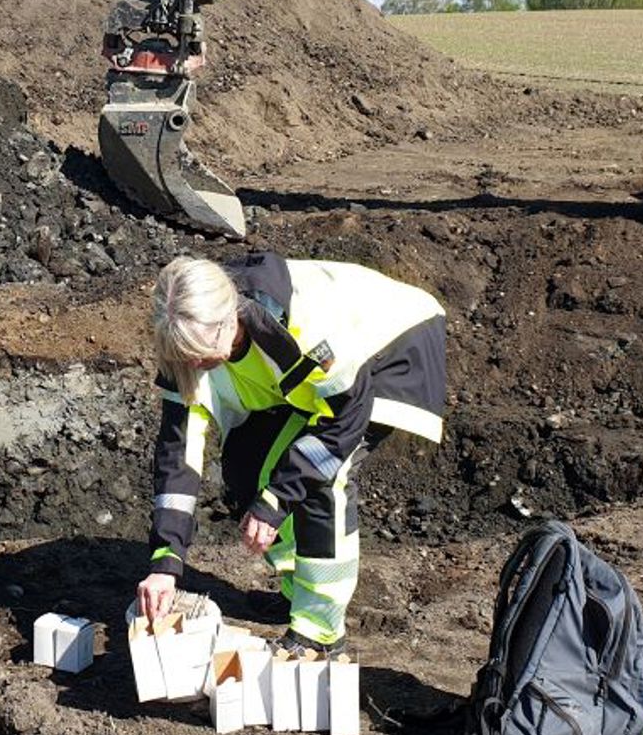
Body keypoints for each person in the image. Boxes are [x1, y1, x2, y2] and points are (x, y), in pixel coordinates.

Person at [136, 251, 447, 655]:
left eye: (202, 355)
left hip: (394, 347)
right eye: (186, 356)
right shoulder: (186, 342)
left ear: (230, 321)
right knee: (248, 466)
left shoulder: (309, 327)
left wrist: (277, 500)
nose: (195, 364)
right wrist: (165, 562)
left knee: (321, 478)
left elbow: (339, 425)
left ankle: (319, 632)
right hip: (309, 382)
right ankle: (296, 589)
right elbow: (178, 454)